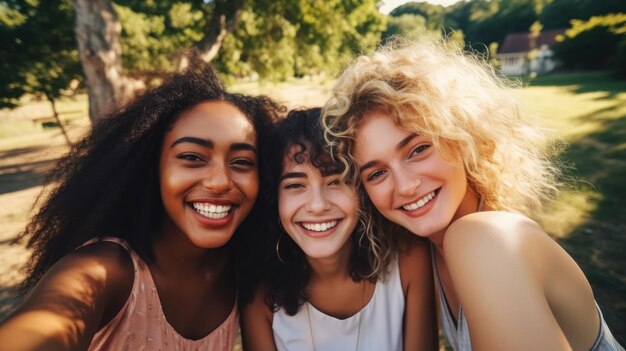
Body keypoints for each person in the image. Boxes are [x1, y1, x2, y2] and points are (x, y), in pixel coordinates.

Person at [321, 39, 624, 351]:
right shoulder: (428, 255)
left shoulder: (483, 237)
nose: (405, 186)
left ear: (462, 136)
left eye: (418, 149)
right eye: (376, 173)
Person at [0, 63, 281, 350]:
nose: (220, 181)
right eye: (192, 157)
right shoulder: (103, 271)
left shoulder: (243, 270)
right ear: (152, 168)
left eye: (242, 162)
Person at [241, 108, 437, 351]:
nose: (318, 205)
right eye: (295, 185)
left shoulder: (408, 260)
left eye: (336, 181)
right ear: (273, 200)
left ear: (361, 191)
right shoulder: (261, 296)